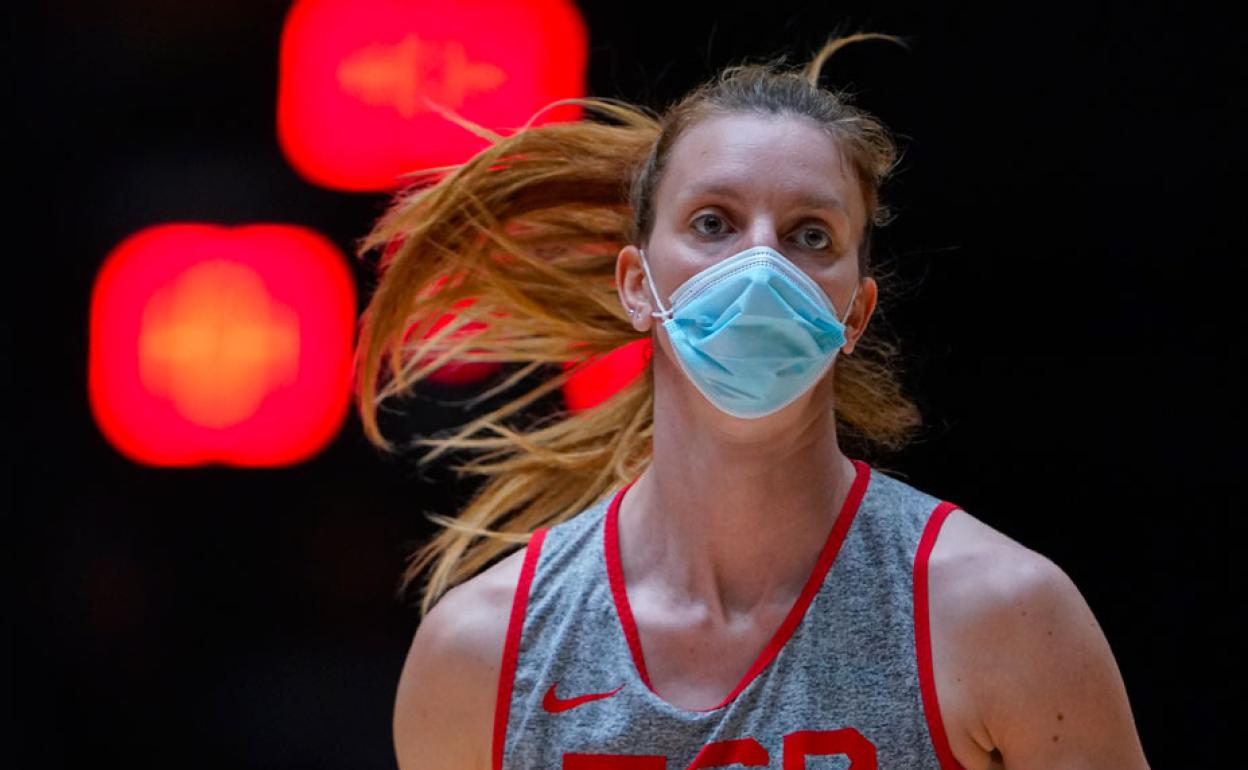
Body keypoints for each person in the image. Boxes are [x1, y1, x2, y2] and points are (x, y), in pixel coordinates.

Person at [354, 32, 1151, 770]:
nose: (761, 263)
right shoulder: (481, 656)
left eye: (811, 235)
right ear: (636, 284)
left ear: (856, 314)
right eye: (714, 222)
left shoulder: (1004, 618)